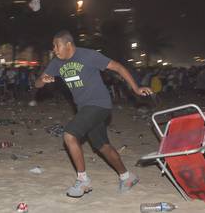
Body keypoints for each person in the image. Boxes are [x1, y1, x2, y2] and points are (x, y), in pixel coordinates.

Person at [35, 30, 153, 198]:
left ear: (68, 44)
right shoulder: (56, 63)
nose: (54, 49)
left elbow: (118, 67)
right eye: (53, 46)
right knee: (102, 146)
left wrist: (136, 88)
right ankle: (127, 177)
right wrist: (43, 80)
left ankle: (83, 180)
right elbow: (38, 83)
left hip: (99, 104)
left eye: (56, 45)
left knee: (69, 135)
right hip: (84, 108)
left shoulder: (88, 55)